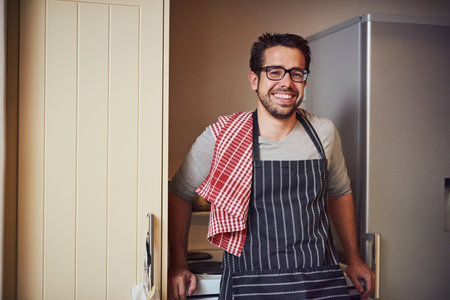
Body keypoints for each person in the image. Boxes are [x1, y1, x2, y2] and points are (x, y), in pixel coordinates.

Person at [168, 33, 375, 300]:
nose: (286, 83)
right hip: (249, 284)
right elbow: (179, 193)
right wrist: (177, 264)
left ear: (305, 80)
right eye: (275, 72)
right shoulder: (222, 136)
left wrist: (355, 258)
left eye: (296, 73)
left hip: (319, 281)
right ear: (255, 80)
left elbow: (339, 193)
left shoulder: (324, 132)